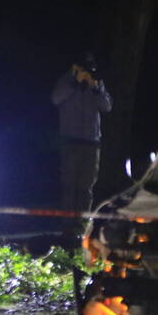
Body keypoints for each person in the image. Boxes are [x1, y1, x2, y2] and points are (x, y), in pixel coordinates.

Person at [50, 52, 112, 214]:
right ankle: (68, 225)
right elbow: (56, 99)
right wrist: (74, 84)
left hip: (92, 142)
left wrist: (96, 88)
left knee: (86, 188)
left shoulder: (97, 82)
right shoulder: (65, 81)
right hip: (70, 141)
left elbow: (107, 107)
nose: (86, 72)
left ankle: (82, 225)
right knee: (69, 186)